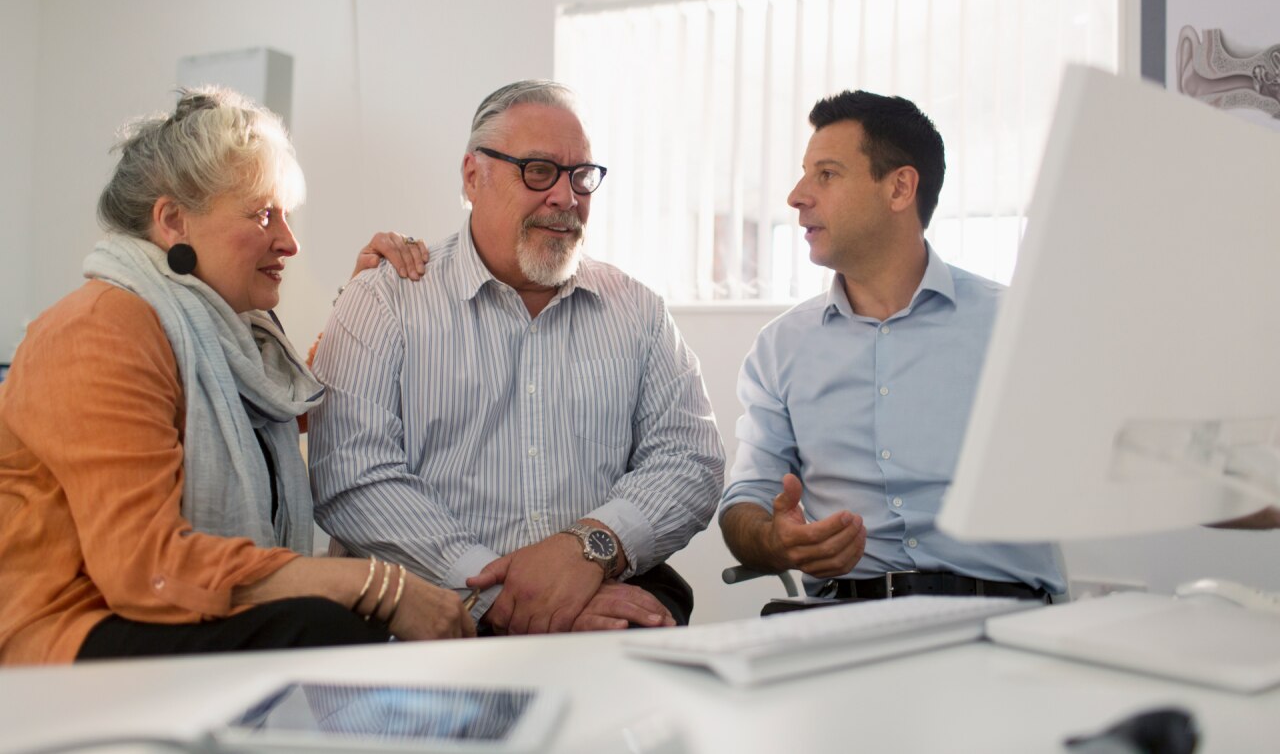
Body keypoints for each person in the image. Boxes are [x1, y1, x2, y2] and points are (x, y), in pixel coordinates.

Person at [0, 88, 473, 666]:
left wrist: (359, 299)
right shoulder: (99, 328)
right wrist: (379, 584)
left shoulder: (221, 335)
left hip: (141, 618)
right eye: (262, 214)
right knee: (324, 625)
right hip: (65, 638)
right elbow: (147, 567)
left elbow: (288, 403)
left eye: (286, 216)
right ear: (173, 220)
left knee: (336, 625)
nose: (289, 242)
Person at [309, 80, 725, 634]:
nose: (565, 197)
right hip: (427, 625)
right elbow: (351, 475)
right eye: (538, 170)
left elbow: (689, 459)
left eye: (581, 176)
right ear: (472, 177)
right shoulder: (385, 299)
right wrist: (497, 592)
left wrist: (590, 547)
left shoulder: (638, 312)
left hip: (599, 608)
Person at [719, 90, 1066, 605]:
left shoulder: (1019, 326)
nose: (796, 195)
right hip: (843, 623)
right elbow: (745, 500)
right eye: (804, 173)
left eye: (827, 174)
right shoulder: (781, 348)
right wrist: (775, 540)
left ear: (900, 188)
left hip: (1004, 617)